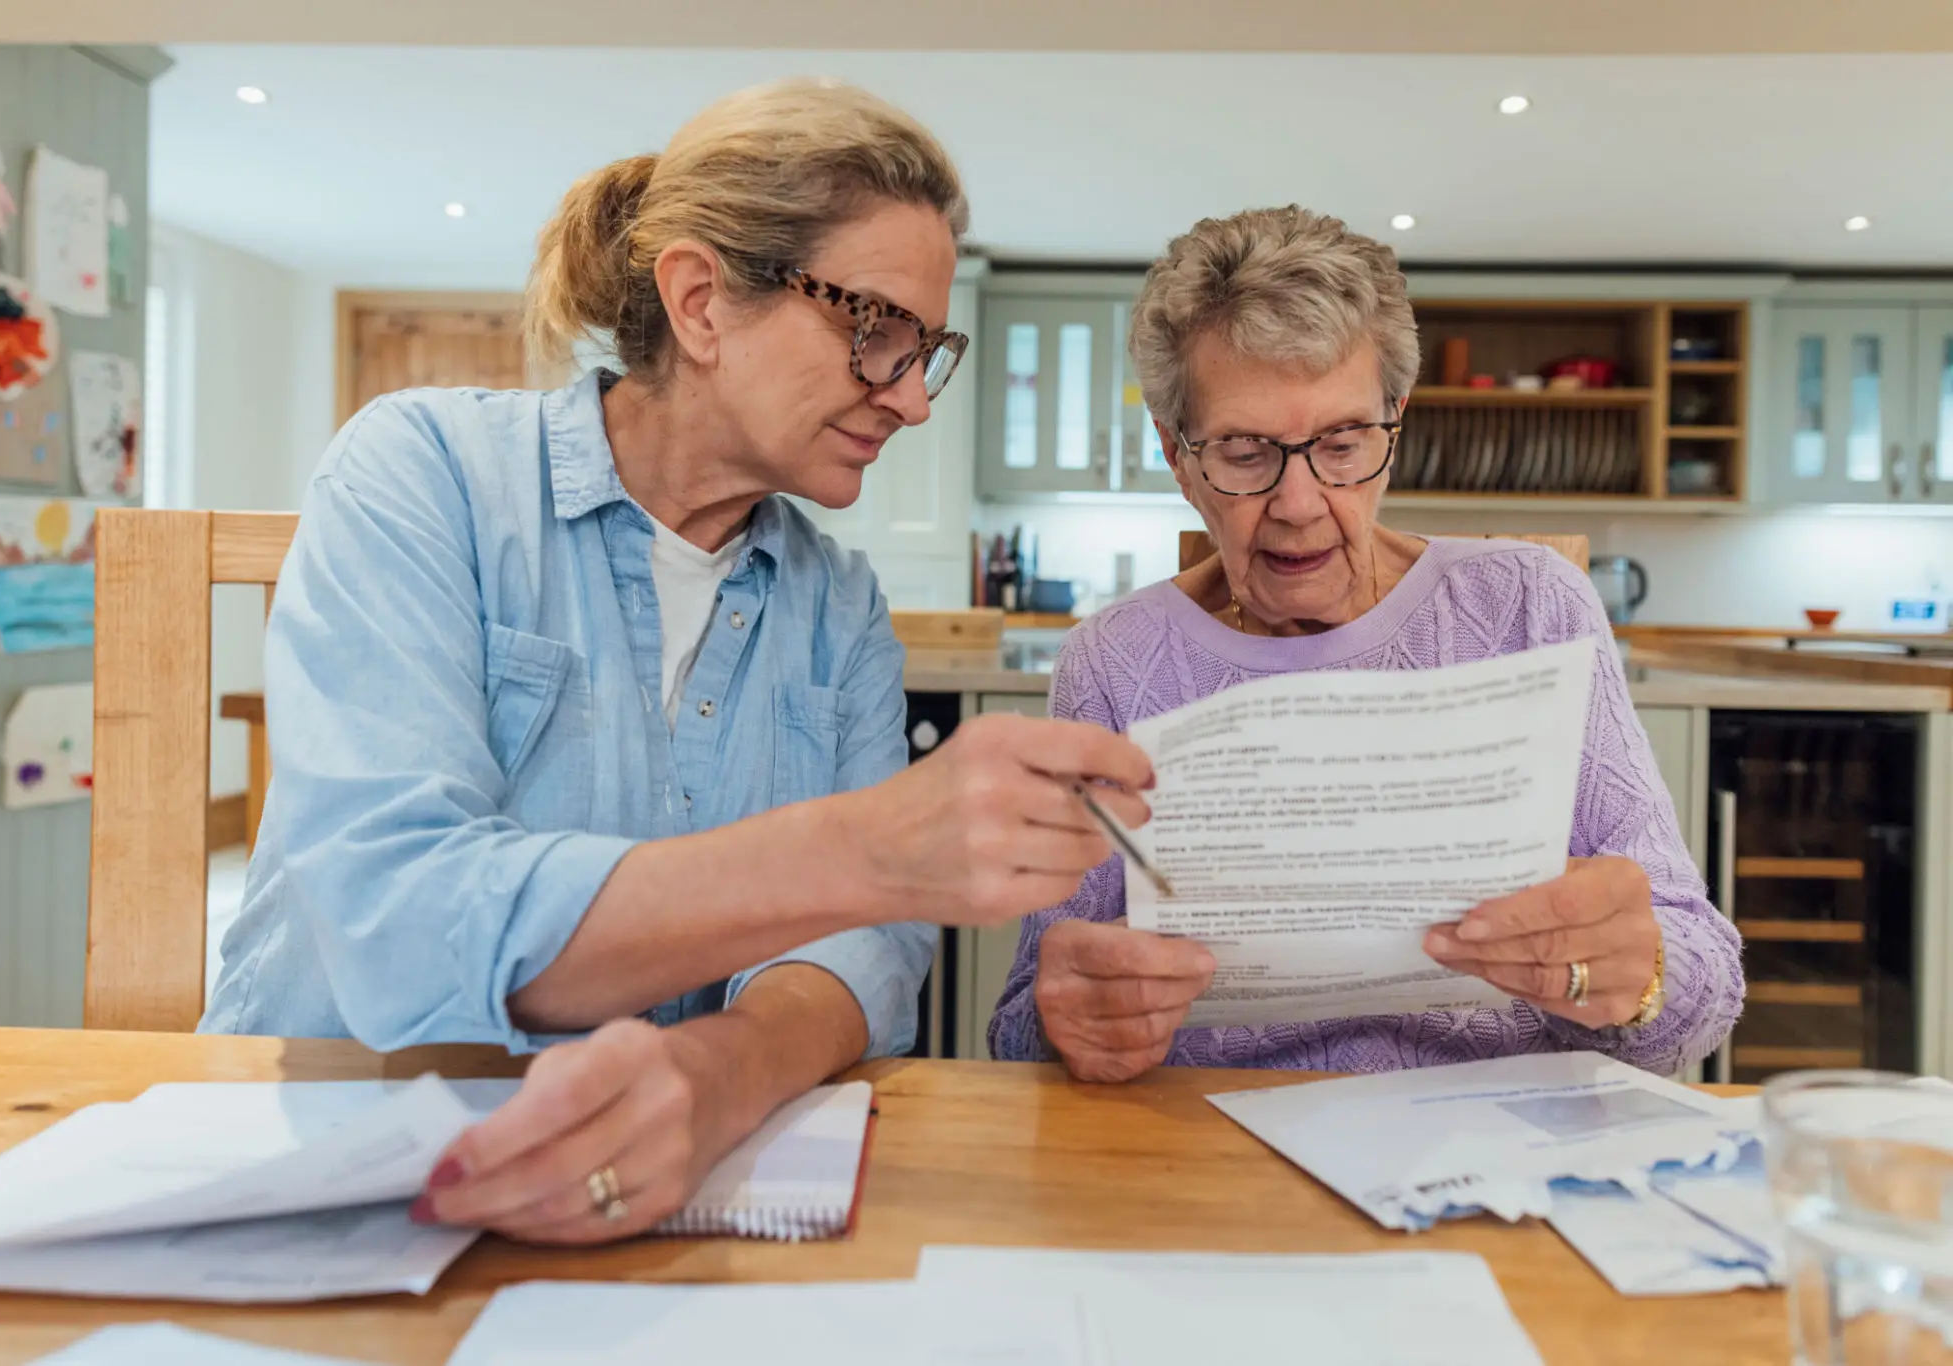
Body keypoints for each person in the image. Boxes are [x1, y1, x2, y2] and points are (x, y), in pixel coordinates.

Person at [201, 79, 1153, 1244]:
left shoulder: (835, 606)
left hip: (653, 1210)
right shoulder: (423, 473)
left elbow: (861, 957)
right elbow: (400, 924)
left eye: (925, 349)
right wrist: (874, 846)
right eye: (875, 331)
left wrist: (716, 1075)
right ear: (701, 302)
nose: (909, 397)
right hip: (333, 1182)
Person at [989, 206, 1744, 1083]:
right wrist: (1072, 1020)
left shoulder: (1532, 611)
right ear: (1177, 455)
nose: (1301, 502)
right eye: (1242, 452)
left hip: (1492, 1143)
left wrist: (1638, 976)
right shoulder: (1113, 664)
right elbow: (1020, 1035)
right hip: (1208, 1148)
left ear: (1396, 426)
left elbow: (1702, 1000)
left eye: (1343, 443)